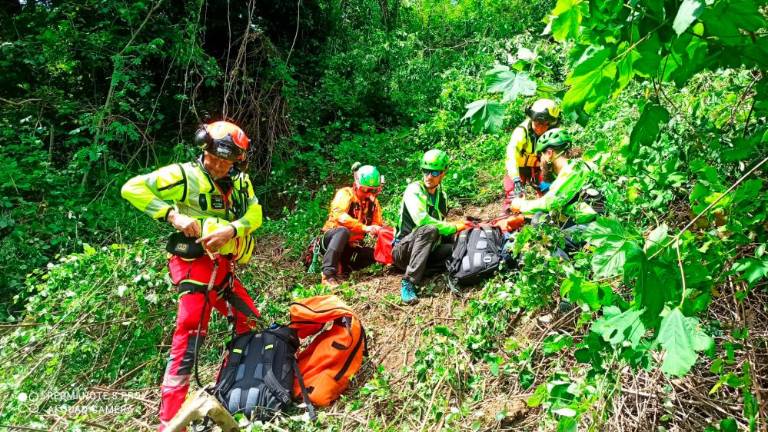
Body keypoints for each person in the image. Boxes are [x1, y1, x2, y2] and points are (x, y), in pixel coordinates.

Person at [121, 120, 264, 431]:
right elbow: (132, 187)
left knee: (250, 323)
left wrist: (232, 229)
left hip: (223, 268)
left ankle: (227, 392)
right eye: (215, 158)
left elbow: (255, 214)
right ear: (204, 148)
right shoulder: (184, 176)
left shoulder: (241, 182)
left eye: (228, 161)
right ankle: (170, 421)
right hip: (193, 265)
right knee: (190, 335)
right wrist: (173, 215)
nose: (220, 166)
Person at [392, 149, 471, 304]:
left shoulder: (442, 197)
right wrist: (455, 227)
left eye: (434, 173)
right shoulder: (414, 189)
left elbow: (443, 228)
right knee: (429, 229)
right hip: (404, 250)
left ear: (443, 173)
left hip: (427, 251)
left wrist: (458, 236)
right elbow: (422, 221)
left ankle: (425, 269)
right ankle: (408, 282)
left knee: (459, 248)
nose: (429, 176)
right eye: (426, 171)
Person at [508, 128, 599, 225]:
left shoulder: (573, 169)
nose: (540, 162)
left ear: (549, 153)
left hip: (593, 225)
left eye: (540, 156)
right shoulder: (577, 166)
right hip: (591, 221)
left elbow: (550, 203)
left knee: (538, 222)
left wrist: (521, 205)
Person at [319, 163, 385, 287]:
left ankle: (345, 268)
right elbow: (339, 215)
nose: (369, 194)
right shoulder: (345, 194)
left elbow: (377, 222)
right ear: (356, 185)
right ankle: (327, 275)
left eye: (373, 190)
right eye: (366, 190)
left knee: (375, 255)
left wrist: (376, 229)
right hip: (332, 240)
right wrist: (364, 228)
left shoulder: (373, 203)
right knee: (342, 232)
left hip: (351, 246)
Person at [503, 98, 561, 213]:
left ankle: (546, 214)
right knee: (514, 194)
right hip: (519, 168)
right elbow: (511, 154)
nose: (540, 128)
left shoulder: (553, 133)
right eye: (537, 123)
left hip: (540, 168)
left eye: (544, 124)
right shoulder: (522, 131)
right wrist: (515, 178)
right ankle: (509, 216)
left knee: (548, 190)